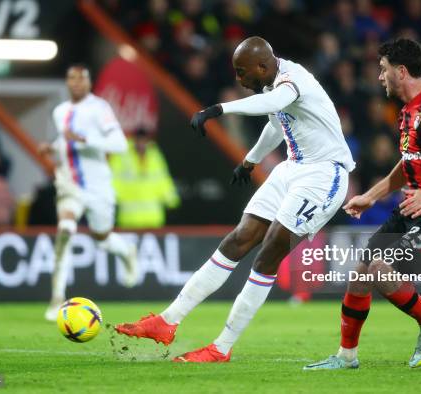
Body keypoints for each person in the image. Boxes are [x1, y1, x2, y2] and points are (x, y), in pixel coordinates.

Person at [115, 36, 355, 362]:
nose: (239, 80)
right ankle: (166, 321)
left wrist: (218, 109)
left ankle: (221, 347)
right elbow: (275, 124)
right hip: (292, 168)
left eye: (242, 72)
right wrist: (250, 161)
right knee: (238, 239)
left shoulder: (292, 79)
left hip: (325, 174)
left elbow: (271, 106)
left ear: (262, 65)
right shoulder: (271, 85)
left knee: (269, 252)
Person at [305, 38, 421, 370]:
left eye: (383, 69)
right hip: (409, 214)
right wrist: (370, 197)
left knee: (382, 271)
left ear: (401, 71)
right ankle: (346, 357)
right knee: (359, 275)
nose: (379, 77)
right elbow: (408, 165)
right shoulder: (406, 113)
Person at [39, 64, 137, 321]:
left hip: (98, 186)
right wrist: (53, 148)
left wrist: (85, 140)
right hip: (70, 185)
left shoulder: (100, 108)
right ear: (67, 82)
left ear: (89, 82)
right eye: (72, 78)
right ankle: (57, 299)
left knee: (102, 238)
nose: (76, 83)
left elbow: (119, 144)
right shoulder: (60, 112)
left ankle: (127, 253)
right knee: (65, 230)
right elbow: (65, 142)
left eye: (81, 78)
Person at [109, 128, 180, 229]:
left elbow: (163, 179)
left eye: (144, 141)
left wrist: (171, 199)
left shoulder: (155, 156)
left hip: (153, 218)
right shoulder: (121, 156)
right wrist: (111, 199)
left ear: (148, 141)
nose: (141, 144)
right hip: (129, 219)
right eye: (139, 140)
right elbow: (112, 179)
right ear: (134, 140)